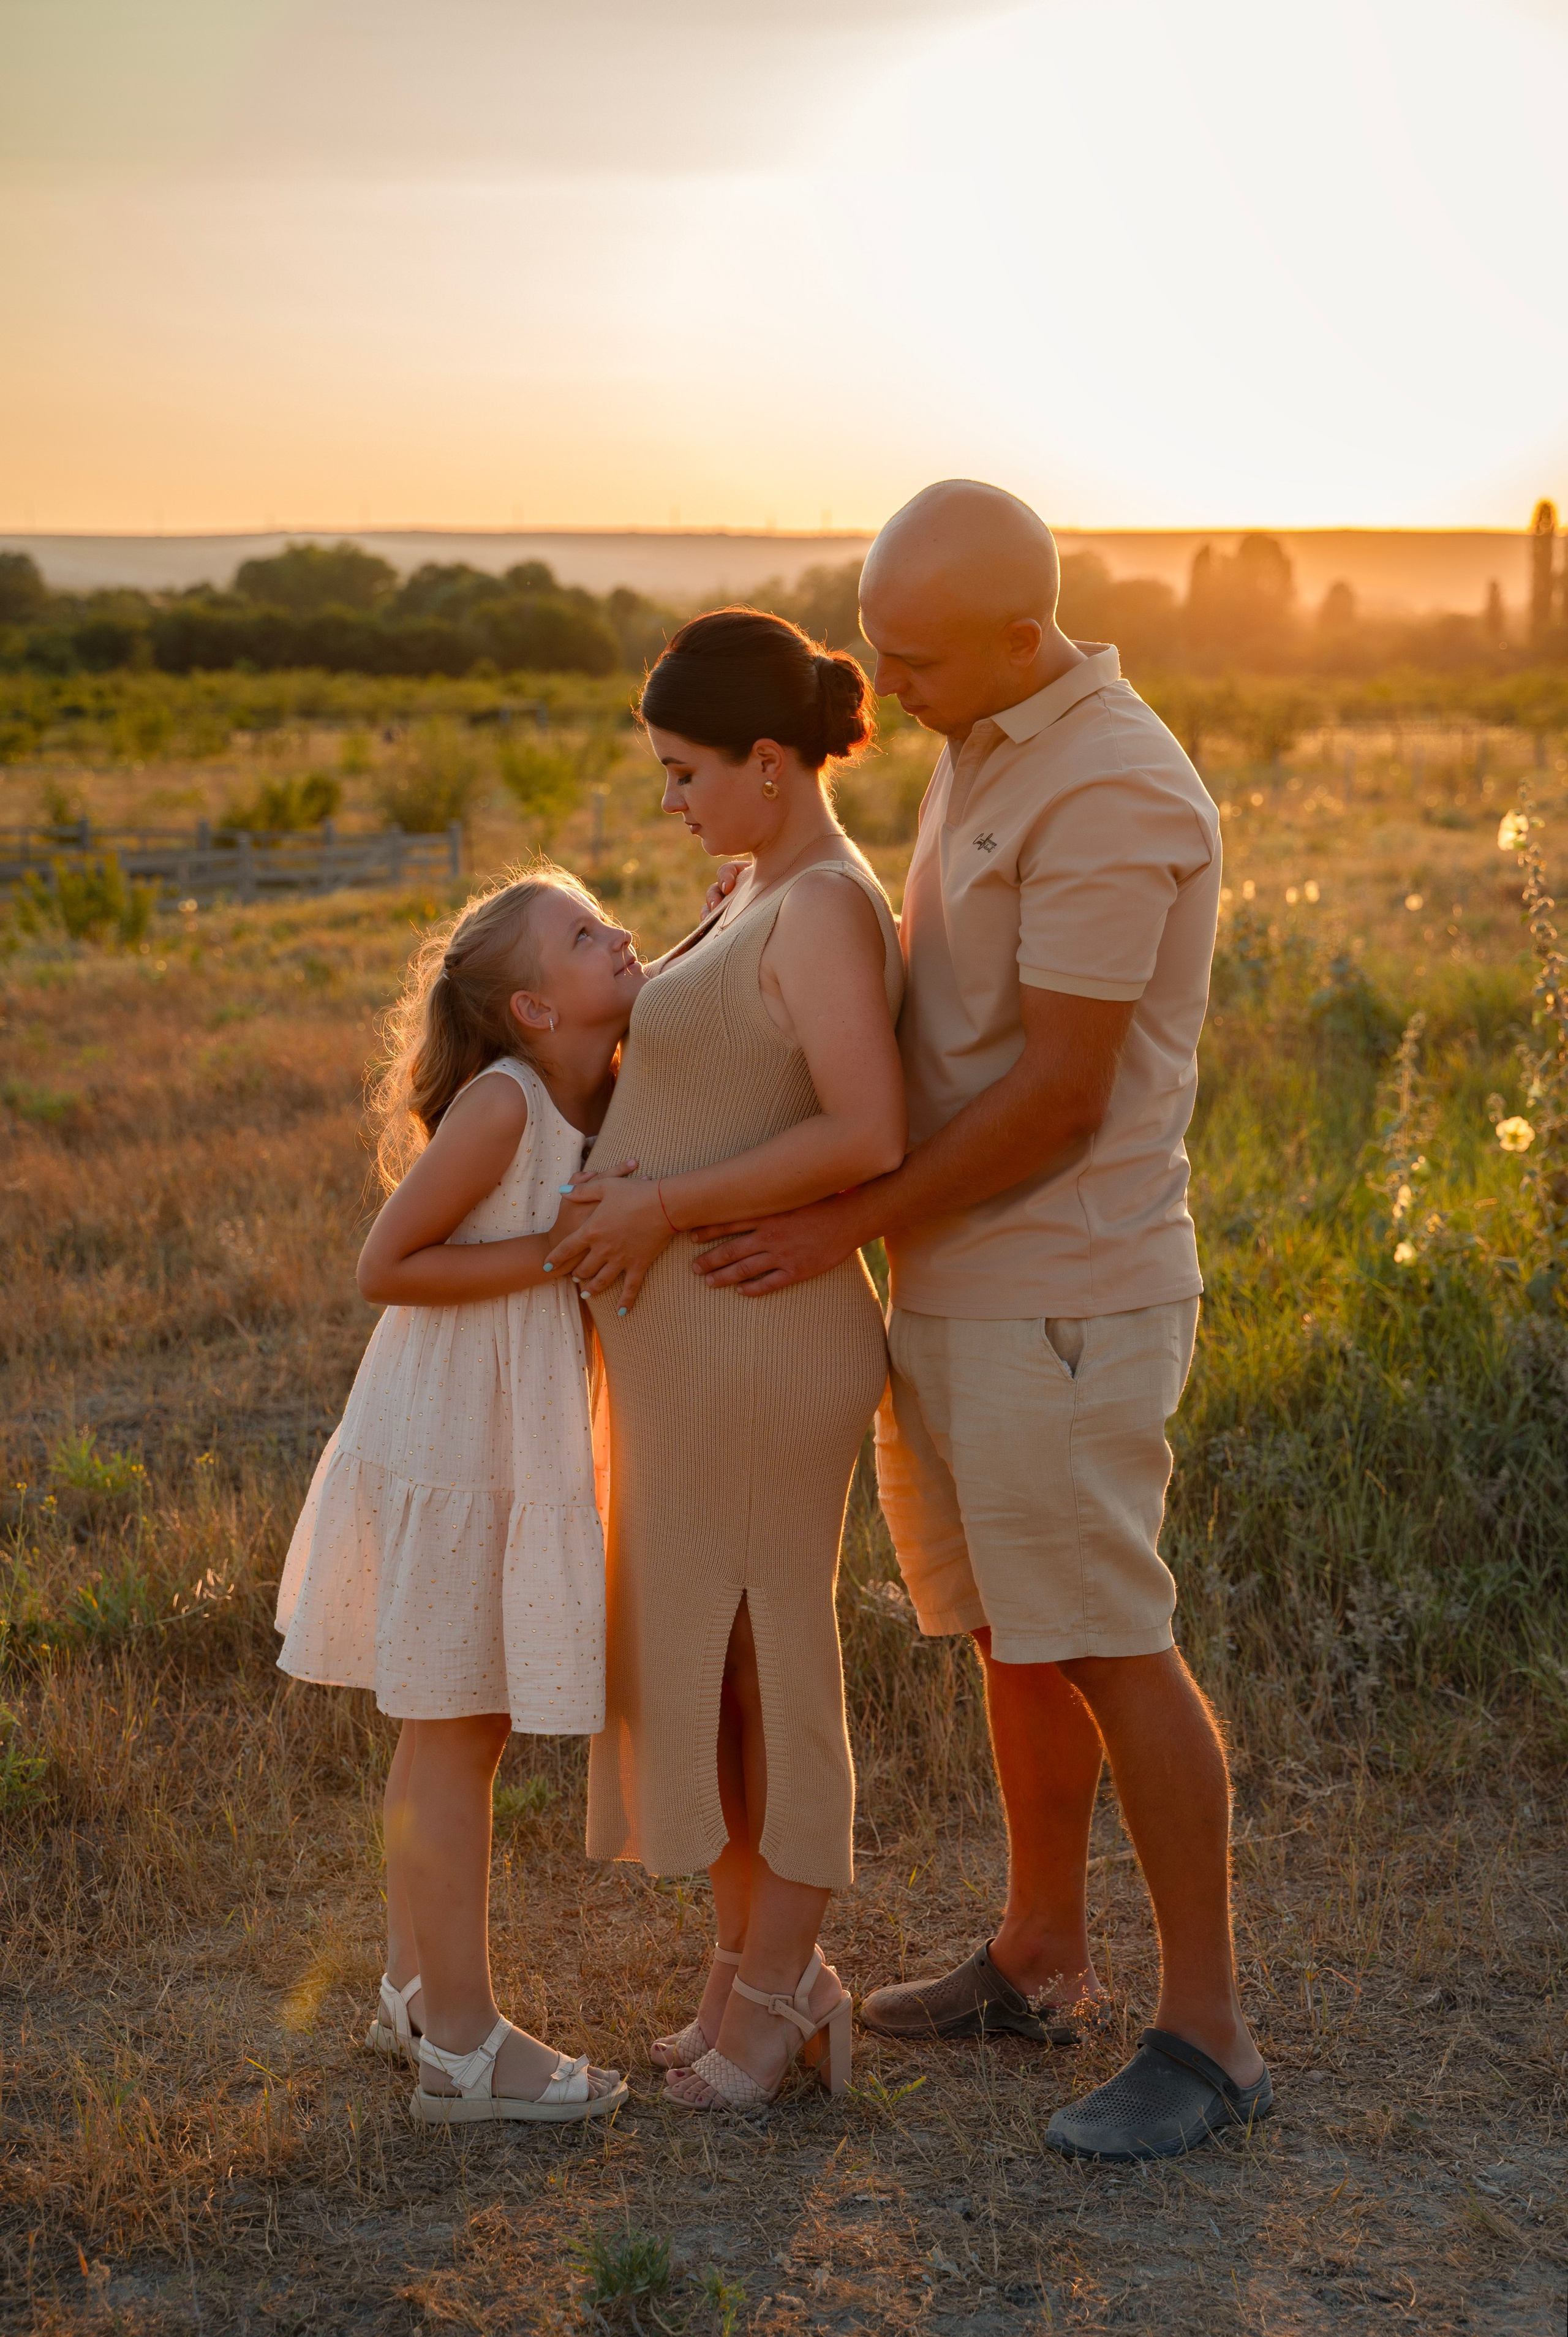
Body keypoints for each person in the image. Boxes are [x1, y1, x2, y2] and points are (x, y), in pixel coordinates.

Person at [688, 483, 1272, 2161]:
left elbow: (1063, 1097)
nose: (890, 689)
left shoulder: (1113, 783)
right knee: (1019, 1633)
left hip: (1064, 1296)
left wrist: (836, 1228)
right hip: (958, 1282)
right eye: (877, 650)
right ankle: (1037, 1957)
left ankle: (1211, 2037)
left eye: (917, 660)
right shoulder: (987, 721)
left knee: (1106, 1634)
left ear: (1026, 633)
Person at [545, 608, 906, 2115]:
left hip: (766, 1343)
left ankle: (774, 1994)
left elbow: (864, 1132)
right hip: (701, 1352)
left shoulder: (822, 903)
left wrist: (661, 1204)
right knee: (712, 1678)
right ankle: (756, 1976)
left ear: (771, 761)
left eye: (687, 773)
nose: (671, 802)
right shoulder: (760, 881)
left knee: (768, 1671)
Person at [274, 864, 640, 2127]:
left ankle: (413, 1991)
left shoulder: (587, 1082)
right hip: (453, 1431)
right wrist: (558, 1251)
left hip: (501, 1422)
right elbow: (388, 1262)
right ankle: (468, 2048)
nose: (619, 937)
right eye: (588, 935)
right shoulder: (504, 1104)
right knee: (455, 1727)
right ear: (533, 1009)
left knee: (450, 1724)